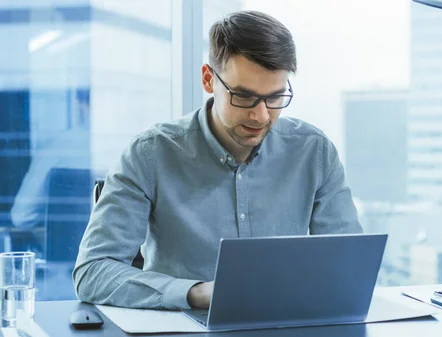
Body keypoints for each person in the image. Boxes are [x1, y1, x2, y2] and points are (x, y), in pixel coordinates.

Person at [73, 10, 363, 310]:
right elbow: (92, 271)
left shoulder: (313, 151)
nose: (261, 115)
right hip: (183, 324)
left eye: (275, 97)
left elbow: (352, 263)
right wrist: (196, 294)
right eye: (243, 96)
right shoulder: (149, 154)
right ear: (208, 79)